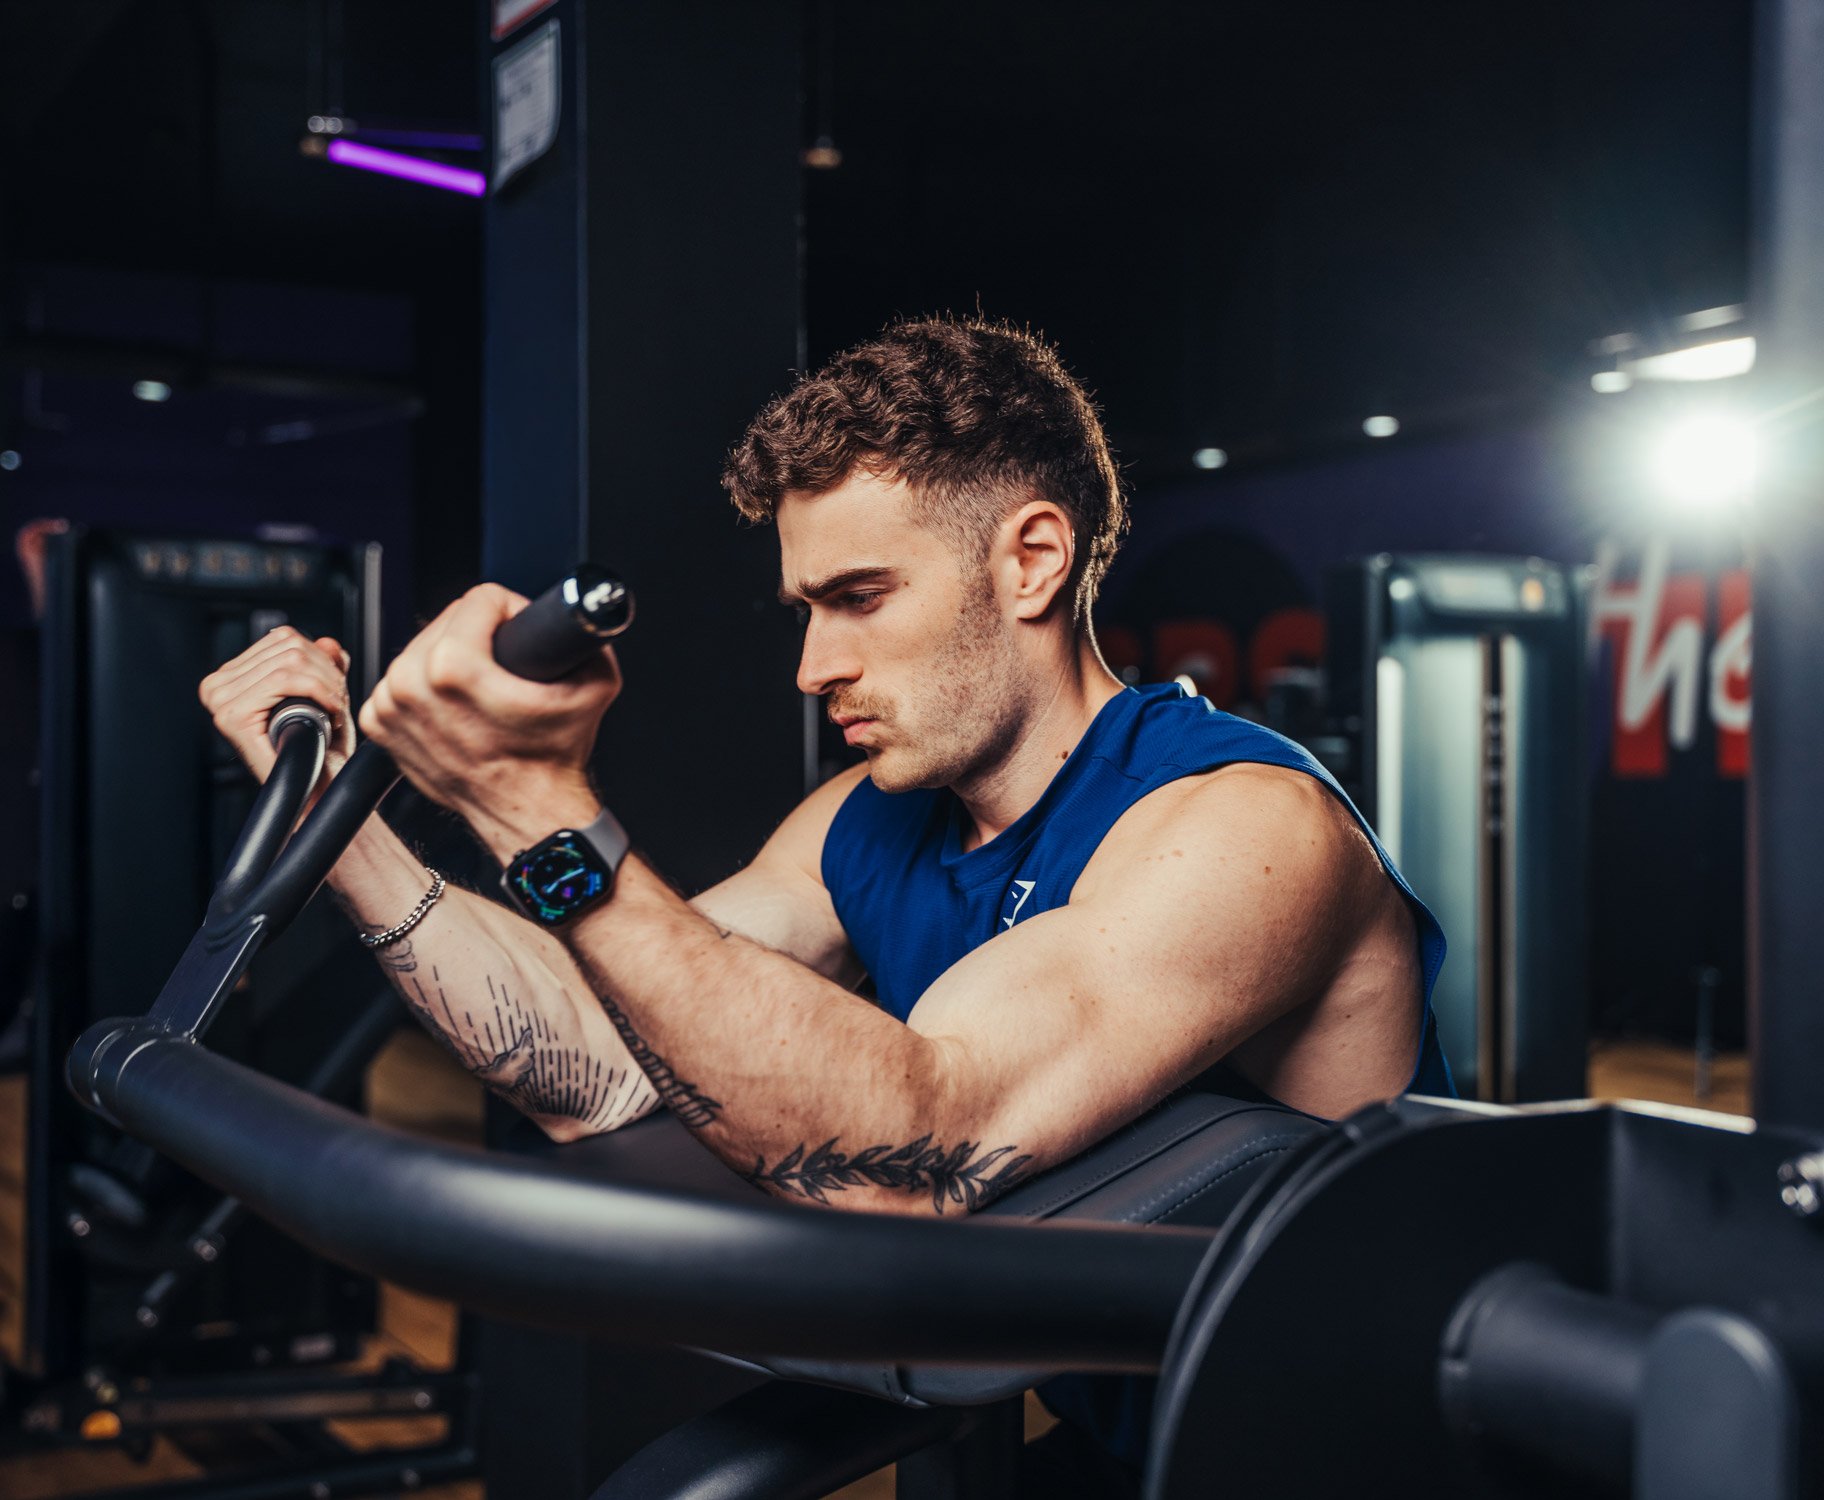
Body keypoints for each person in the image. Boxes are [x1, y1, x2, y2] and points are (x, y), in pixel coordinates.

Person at [200, 316, 1450, 1486]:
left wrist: (535, 807)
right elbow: (600, 1054)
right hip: (1120, 1442)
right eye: (806, 611)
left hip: (1359, 1468)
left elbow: (916, 1150)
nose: (813, 667)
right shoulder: (870, 821)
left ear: (1032, 560)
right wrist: (339, 828)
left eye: (860, 598)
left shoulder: (1248, 830)